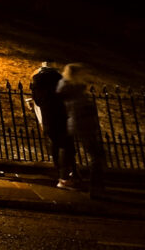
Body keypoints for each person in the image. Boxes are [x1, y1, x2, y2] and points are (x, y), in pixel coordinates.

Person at [57, 63, 106, 198]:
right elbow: (79, 109)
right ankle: (96, 189)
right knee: (97, 156)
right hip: (83, 125)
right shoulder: (73, 89)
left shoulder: (70, 88)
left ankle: (93, 186)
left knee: (94, 155)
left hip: (80, 124)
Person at [29, 61, 76, 188]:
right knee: (65, 146)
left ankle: (60, 173)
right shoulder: (58, 81)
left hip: (47, 119)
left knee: (55, 145)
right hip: (61, 117)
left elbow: (37, 102)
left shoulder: (37, 84)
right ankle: (65, 177)